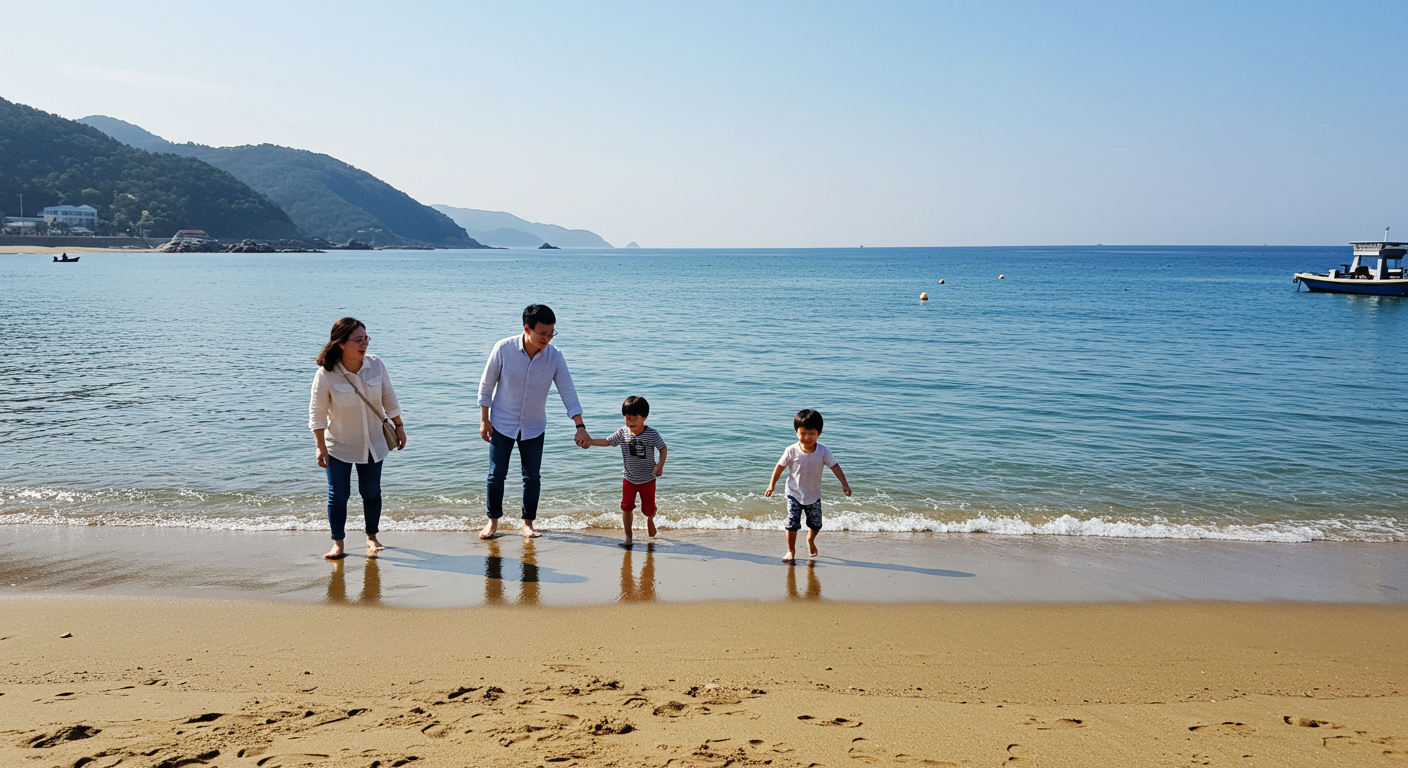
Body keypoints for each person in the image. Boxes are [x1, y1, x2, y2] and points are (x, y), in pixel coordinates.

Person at [477, 304, 590, 539]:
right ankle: (493, 521)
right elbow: (486, 385)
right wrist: (484, 420)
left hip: (534, 425)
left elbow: (568, 392)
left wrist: (580, 426)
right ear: (527, 329)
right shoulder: (503, 348)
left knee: (532, 477)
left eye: (551, 334)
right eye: (543, 334)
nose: (547, 339)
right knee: (496, 474)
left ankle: (527, 523)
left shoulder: (555, 356)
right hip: (501, 422)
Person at [309, 317, 405, 560]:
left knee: (371, 492)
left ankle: (372, 537)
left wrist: (399, 427)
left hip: (374, 443)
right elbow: (317, 413)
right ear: (341, 343)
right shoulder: (326, 374)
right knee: (338, 495)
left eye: (366, 339)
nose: (364, 344)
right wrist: (320, 447)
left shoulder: (376, 365)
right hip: (338, 445)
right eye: (358, 340)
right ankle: (337, 543)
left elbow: (389, 399)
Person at [764, 409, 851, 563]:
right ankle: (791, 551)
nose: (807, 437)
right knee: (792, 524)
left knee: (816, 524)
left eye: (811, 433)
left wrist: (844, 484)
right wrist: (772, 485)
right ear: (796, 432)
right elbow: (779, 467)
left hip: (813, 495)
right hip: (794, 493)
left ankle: (810, 540)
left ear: (819, 434)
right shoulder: (791, 450)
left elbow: (835, 467)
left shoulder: (823, 451)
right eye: (802, 433)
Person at [587, 395, 668, 546]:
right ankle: (628, 538)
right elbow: (608, 441)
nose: (629, 422)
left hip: (648, 479)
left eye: (633, 418)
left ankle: (650, 519)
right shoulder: (623, 432)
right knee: (626, 507)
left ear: (644, 417)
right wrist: (590, 441)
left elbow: (663, 448)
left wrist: (660, 465)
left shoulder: (652, 434)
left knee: (648, 509)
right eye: (626, 418)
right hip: (629, 478)